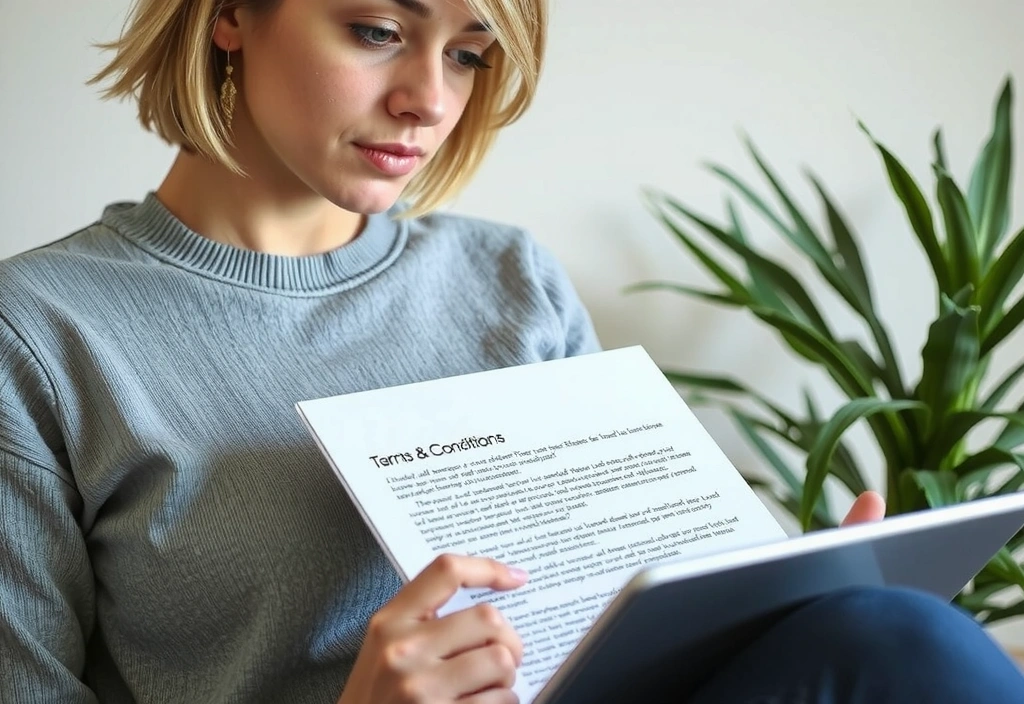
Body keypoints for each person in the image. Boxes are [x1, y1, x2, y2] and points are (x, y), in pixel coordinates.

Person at [2, 0, 1023, 702]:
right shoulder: (43, 330)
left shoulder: (508, 275)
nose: (429, 99)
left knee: (892, 635)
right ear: (231, 13)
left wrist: (787, 586)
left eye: (467, 53)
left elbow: (627, 603)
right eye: (376, 30)